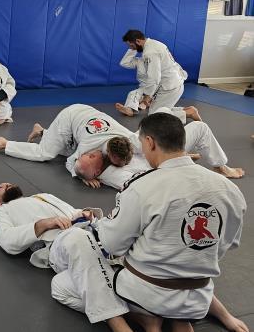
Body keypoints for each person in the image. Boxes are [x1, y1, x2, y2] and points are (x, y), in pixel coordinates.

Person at [0, 182, 248, 332]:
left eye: (6, 183)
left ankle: (154, 314)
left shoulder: (43, 195)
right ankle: (124, 323)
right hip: (62, 245)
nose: (4, 185)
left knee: (154, 254)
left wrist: (85, 213)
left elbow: (72, 211)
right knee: (76, 239)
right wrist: (43, 224)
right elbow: (6, 240)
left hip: (96, 236)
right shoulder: (2, 213)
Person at [95, 113, 247, 330]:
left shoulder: (142, 186)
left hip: (145, 292)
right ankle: (182, 318)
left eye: (142, 144)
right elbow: (227, 244)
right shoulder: (231, 190)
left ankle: (150, 320)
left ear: (150, 142)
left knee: (89, 264)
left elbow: (111, 245)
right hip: (197, 297)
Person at [75, 109, 245, 188]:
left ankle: (220, 166)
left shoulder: (104, 148)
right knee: (164, 114)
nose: (90, 154)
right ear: (96, 172)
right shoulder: (112, 175)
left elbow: (74, 161)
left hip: (161, 145)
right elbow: (144, 185)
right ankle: (182, 149)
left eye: (88, 155)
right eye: (90, 158)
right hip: (165, 159)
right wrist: (83, 176)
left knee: (200, 127)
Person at [0, 104, 136, 186]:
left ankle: (43, 132)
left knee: (69, 148)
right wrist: (83, 176)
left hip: (86, 113)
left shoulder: (126, 136)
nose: (121, 166)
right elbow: (71, 162)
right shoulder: (90, 145)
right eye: (118, 163)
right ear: (109, 153)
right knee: (45, 153)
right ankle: (5, 144)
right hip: (69, 118)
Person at [119, 30, 187, 114]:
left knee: (155, 116)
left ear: (138, 41)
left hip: (170, 86)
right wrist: (135, 48)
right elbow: (124, 63)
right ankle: (186, 111)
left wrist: (148, 96)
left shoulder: (150, 52)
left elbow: (154, 77)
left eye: (131, 46)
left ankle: (188, 112)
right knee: (156, 112)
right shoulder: (154, 44)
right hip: (169, 84)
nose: (131, 48)